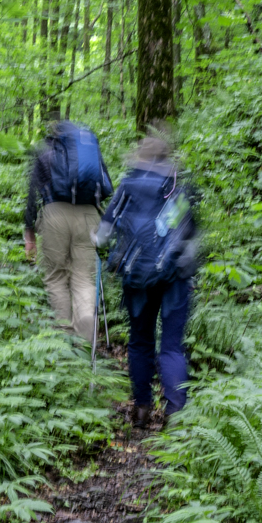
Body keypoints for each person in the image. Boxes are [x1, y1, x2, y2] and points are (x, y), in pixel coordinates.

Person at [94, 135, 201, 426]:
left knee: (140, 343)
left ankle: (141, 410)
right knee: (171, 346)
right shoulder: (177, 187)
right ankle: (175, 412)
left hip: (136, 279)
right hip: (174, 280)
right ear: (167, 158)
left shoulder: (127, 186)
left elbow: (103, 236)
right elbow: (190, 239)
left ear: (139, 157)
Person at [24, 119, 114, 344]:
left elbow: (32, 193)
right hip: (88, 215)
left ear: (54, 134)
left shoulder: (45, 152)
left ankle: (64, 338)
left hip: (55, 214)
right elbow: (105, 186)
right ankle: (85, 332)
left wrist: (29, 231)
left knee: (56, 277)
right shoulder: (88, 150)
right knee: (84, 278)